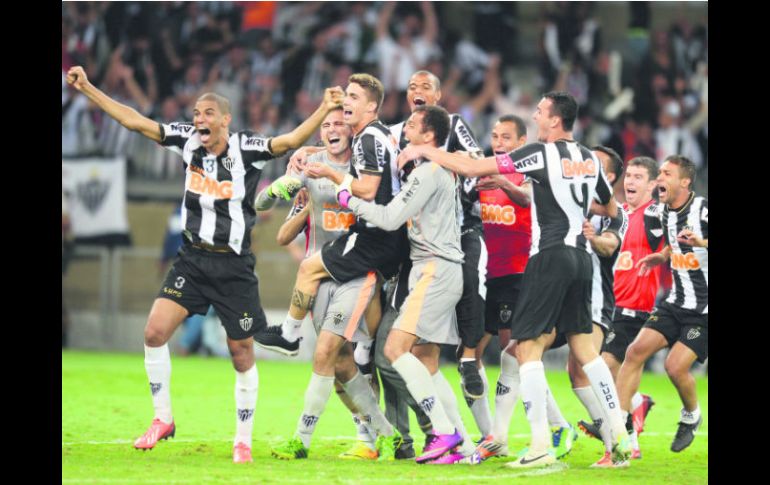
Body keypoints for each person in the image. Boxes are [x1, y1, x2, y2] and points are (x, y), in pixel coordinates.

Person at [65, 65, 344, 463]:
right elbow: (134, 122)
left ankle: (242, 440)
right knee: (154, 332)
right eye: (196, 113)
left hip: (233, 267)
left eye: (208, 113)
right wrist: (90, 88)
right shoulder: (186, 141)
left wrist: (323, 108)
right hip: (192, 260)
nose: (199, 120)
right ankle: (163, 419)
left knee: (241, 353)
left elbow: (291, 141)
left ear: (225, 120)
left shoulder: (246, 148)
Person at [398, 91, 631, 468]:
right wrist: (577, 209)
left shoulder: (539, 152)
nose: (535, 115)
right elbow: (610, 207)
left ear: (555, 120)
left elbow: (475, 169)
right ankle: (618, 436)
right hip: (581, 259)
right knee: (585, 350)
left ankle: (540, 443)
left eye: (540, 111)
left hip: (549, 256)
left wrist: (423, 152)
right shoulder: (589, 158)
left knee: (526, 349)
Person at [339, 105, 480, 465]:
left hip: (434, 269)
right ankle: (459, 445)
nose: (406, 130)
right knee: (426, 363)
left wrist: (347, 197)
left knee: (395, 349)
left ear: (429, 136)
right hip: (439, 269)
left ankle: (443, 430)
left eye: (414, 125)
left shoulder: (429, 171)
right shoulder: (433, 171)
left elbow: (389, 218)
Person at [254, 108, 396, 461]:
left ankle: (301, 440)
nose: (333, 128)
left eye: (339, 124)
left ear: (352, 131)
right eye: (326, 125)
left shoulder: (365, 172)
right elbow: (263, 209)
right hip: (319, 277)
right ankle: (385, 435)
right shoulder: (310, 165)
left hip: (356, 274)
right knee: (340, 365)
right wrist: (289, 191)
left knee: (329, 354)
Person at [254, 74, 406, 364]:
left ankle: (292, 335)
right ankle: (365, 356)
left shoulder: (363, 145)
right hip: (357, 253)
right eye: (327, 125)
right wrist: (294, 183)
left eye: (353, 98)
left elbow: (368, 189)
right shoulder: (316, 166)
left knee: (351, 293)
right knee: (339, 362)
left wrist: (330, 175)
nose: (346, 103)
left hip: (373, 237)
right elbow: (271, 218)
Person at [390, 70, 489, 435]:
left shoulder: (455, 125)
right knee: (417, 353)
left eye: (425, 86)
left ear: (439, 94)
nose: (417, 91)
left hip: (458, 230)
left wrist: (426, 151)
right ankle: (449, 435)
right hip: (416, 243)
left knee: (469, 282)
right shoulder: (399, 132)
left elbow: (476, 162)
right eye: (412, 86)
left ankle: (467, 357)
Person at [475, 115, 576, 462]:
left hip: (522, 273)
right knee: (511, 353)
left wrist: (502, 181)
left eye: (506, 137)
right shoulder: (483, 177)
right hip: (494, 274)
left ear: (520, 144)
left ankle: (550, 427)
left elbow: (525, 200)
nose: (498, 142)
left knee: (516, 351)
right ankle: (534, 428)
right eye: (494, 136)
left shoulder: (529, 174)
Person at [617, 155, 707, 453]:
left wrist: (703, 244)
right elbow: (674, 241)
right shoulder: (665, 212)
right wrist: (662, 255)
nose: (660, 180)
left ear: (685, 181)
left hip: (703, 310)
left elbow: (697, 239)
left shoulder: (702, 209)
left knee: (673, 367)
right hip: (674, 303)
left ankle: (691, 416)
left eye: (666, 174)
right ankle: (617, 424)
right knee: (634, 352)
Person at [578, 156, 663, 462]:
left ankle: (620, 441)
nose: (630, 182)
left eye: (639, 177)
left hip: (636, 305)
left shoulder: (656, 214)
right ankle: (634, 410)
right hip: (611, 303)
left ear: (653, 184)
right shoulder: (619, 215)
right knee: (608, 374)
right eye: (629, 175)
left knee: (606, 368)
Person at [568, 146, 630, 467]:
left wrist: (593, 237)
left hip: (594, 295)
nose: (582, 165)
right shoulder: (574, 197)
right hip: (565, 291)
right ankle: (614, 441)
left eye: (592, 162)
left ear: (606, 176)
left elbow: (610, 246)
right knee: (575, 373)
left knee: (585, 366)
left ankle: (618, 441)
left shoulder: (616, 213)